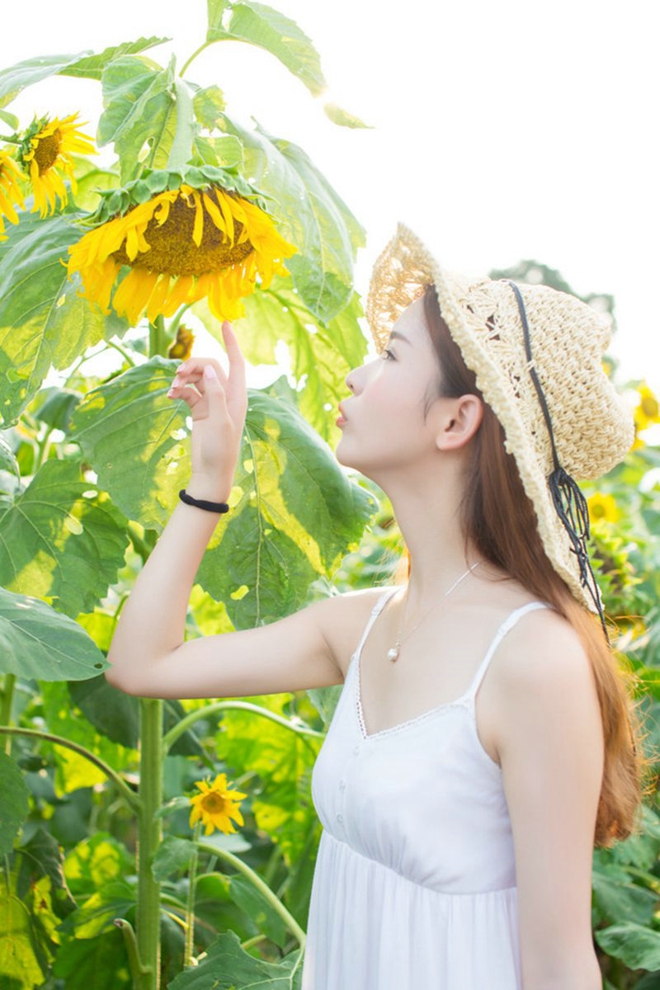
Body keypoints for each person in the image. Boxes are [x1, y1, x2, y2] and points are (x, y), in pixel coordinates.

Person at [106, 224, 646, 990]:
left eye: (390, 355)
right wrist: (210, 478)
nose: (356, 376)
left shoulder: (534, 660)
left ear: (456, 421)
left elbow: (559, 964)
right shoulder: (362, 624)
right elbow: (140, 665)